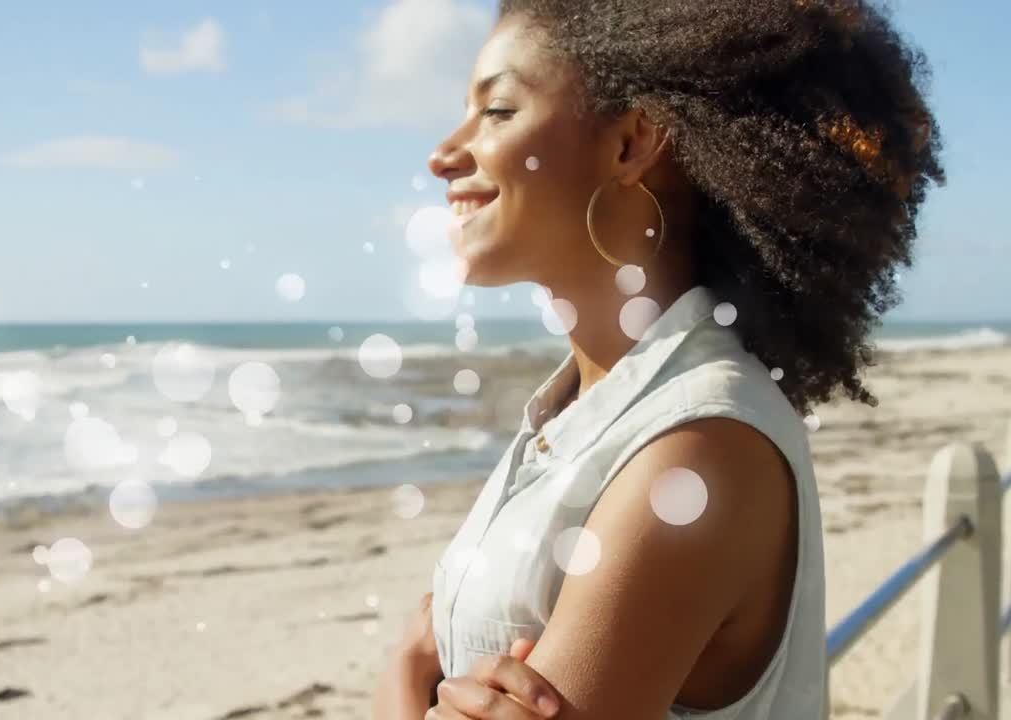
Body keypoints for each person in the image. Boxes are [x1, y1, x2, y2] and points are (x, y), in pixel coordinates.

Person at [372, 0, 943, 717]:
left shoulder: (694, 452)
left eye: (499, 111)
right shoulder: (588, 410)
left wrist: (401, 680)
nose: (444, 153)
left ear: (631, 142)